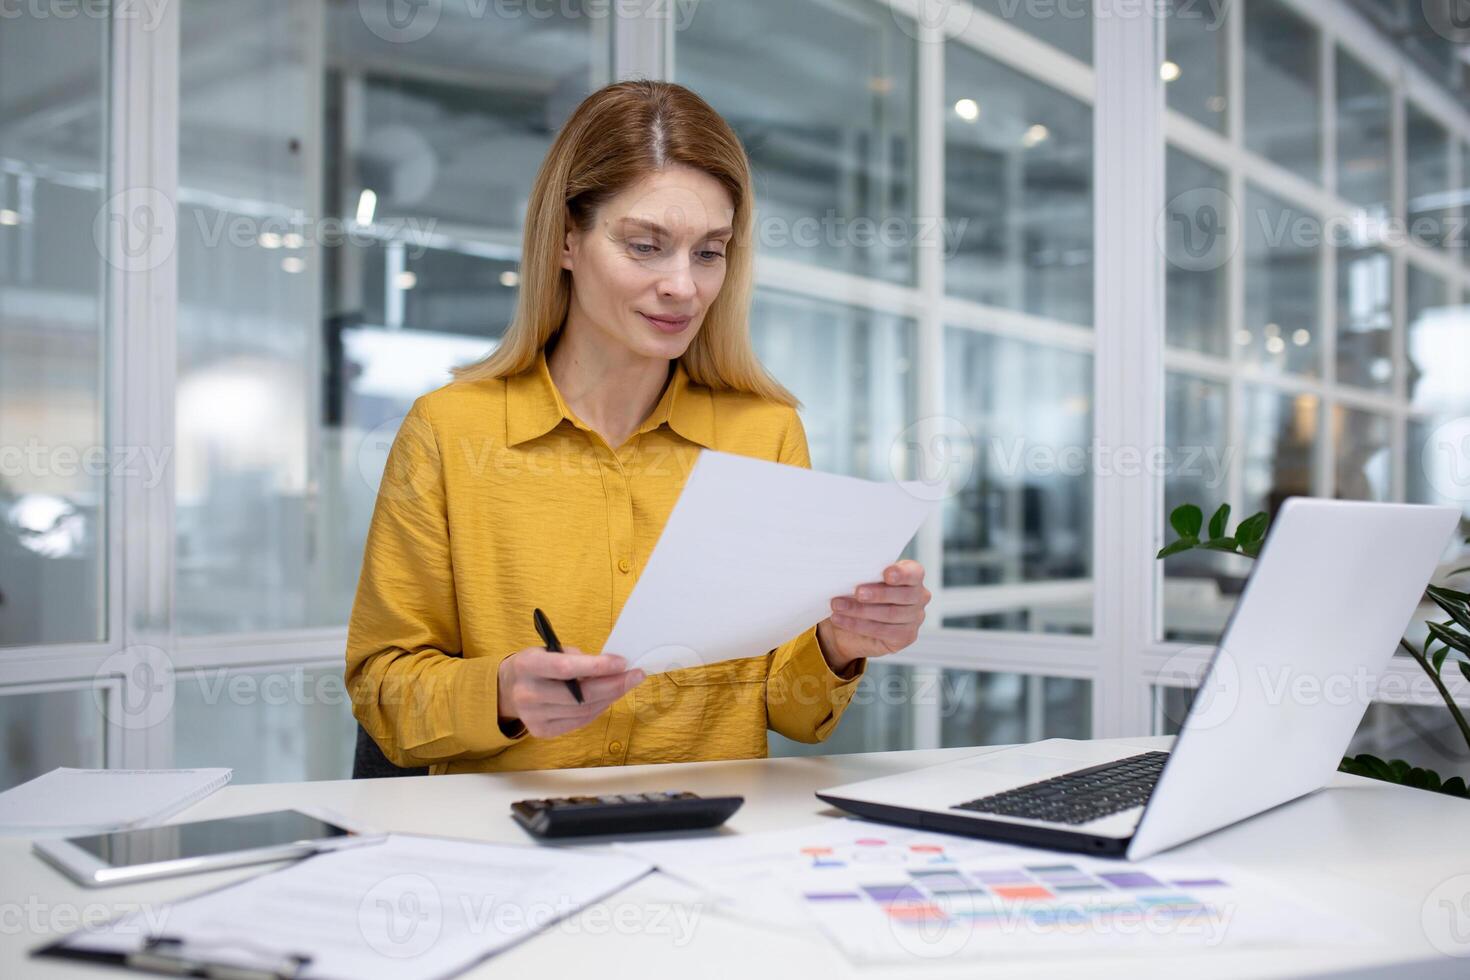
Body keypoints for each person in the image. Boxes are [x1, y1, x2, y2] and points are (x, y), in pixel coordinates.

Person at [345, 80, 931, 775]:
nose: (683, 286)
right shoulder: (450, 431)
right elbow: (382, 688)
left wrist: (839, 640)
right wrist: (501, 694)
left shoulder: (764, 434)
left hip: (712, 847)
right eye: (646, 246)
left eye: (709, 252)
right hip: (510, 857)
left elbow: (791, 709)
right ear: (566, 242)